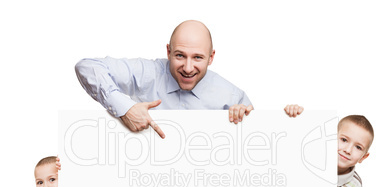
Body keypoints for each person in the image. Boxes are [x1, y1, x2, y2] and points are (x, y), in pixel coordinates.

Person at [75, 20, 302, 138]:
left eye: (198, 58)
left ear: (211, 57)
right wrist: (125, 108)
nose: (188, 67)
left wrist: (246, 121)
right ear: (168, 52)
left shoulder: (232, 96)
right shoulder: (147, 72)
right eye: (180, 55)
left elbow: (257, 148)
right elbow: (87, 67)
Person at [327, 115, 374, 187]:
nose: (347, 150)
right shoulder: (313, 157)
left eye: (358, 147)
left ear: (363, 157)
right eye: (343, 140)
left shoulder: (355, 186)